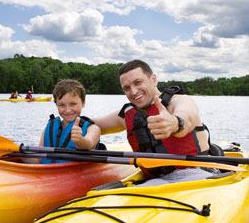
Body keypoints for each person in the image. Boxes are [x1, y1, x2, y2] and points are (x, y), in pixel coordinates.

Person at [93, 59, 221, 185]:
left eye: (138, 82)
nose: (133, 91)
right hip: (157, 182)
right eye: (127, 88)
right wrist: (74, 114)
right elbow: (94, 125)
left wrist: (174, 123)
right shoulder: (126, 115)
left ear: (153, 79)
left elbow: (187, 116)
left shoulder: (179, 101)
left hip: (198, 174)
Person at [26, 79, 102, 164]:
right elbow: (39, 159)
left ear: (83, 103)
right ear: (56, 105)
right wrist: (19, 154)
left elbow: (89, 144)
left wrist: (80, 140)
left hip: (76, 174)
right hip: (47, 174)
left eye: (73, 104)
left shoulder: (93, 129)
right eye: (62, 105)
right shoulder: (48, 128)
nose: (67, 110)